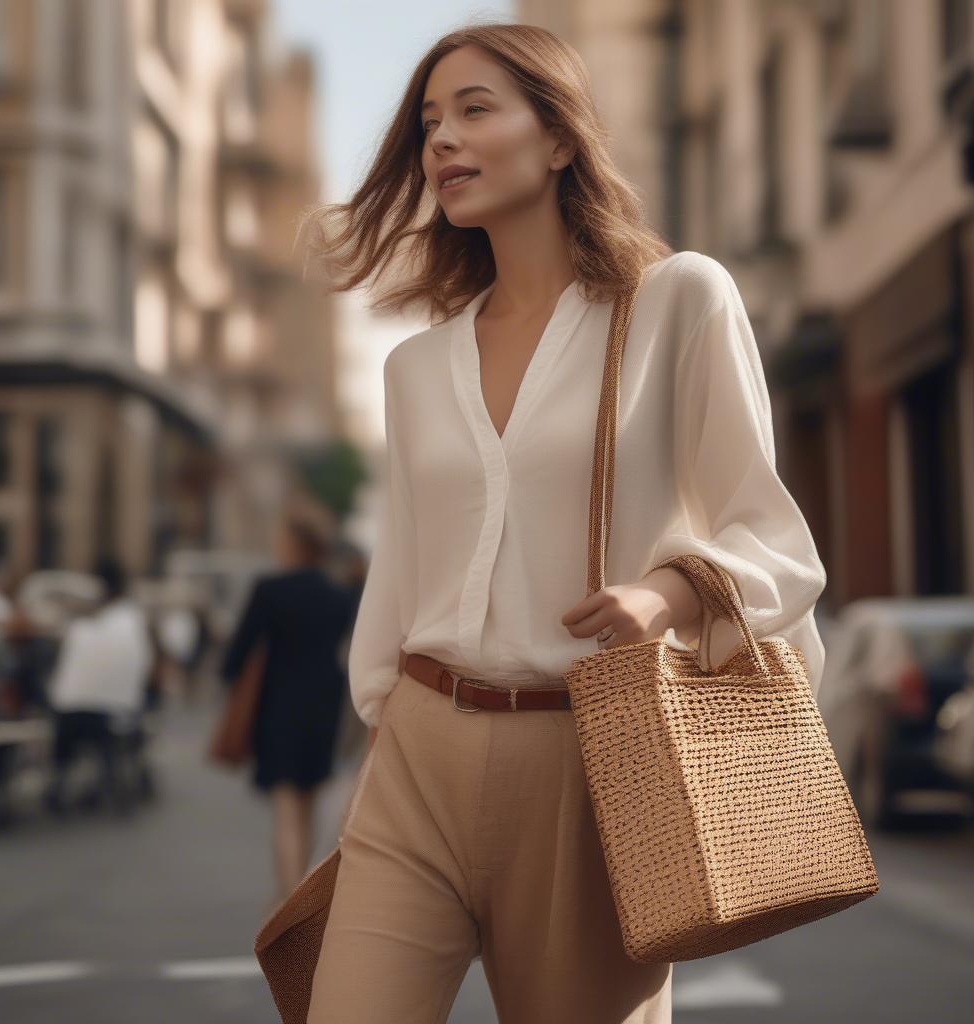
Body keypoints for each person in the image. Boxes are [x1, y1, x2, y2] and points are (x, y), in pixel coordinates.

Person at [297, 22, 827, 1024]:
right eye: (427, 123)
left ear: (558, 140)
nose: (441, 140)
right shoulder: (415, 368)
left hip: (591, 763)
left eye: (474, 110)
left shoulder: (676, 301)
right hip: (417, 753)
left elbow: (773, 537)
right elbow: (400, 575)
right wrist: (381, 729)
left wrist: (665, 592)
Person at [219, 516, 357, 899]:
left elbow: (237, 656)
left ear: (294, 546)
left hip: (278, 709)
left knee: (286, 810)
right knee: (308, 806)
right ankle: (302, 893)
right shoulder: (338, 595)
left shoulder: (270, 590)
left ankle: (289, 901)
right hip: (323, 710)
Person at [44, 556, 155, 814]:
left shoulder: (82, 626)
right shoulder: (132, 622)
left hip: (72, 710)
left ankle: (60, 786)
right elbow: (144, 667)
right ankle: (110, 783)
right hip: (115, 713)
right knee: (111, 743)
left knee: (67, 742)